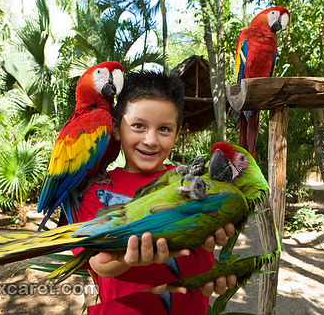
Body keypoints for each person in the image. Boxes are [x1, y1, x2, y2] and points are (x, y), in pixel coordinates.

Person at [75, 70, 236, 314]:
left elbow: (208, 250)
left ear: (177, 134)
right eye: (138, 126)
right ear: (116, 129)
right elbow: (98, 263)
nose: (150, 140)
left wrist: (221, 262)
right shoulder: (97, 192)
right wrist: (125, 258)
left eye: (164, 129)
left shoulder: (195, 184)